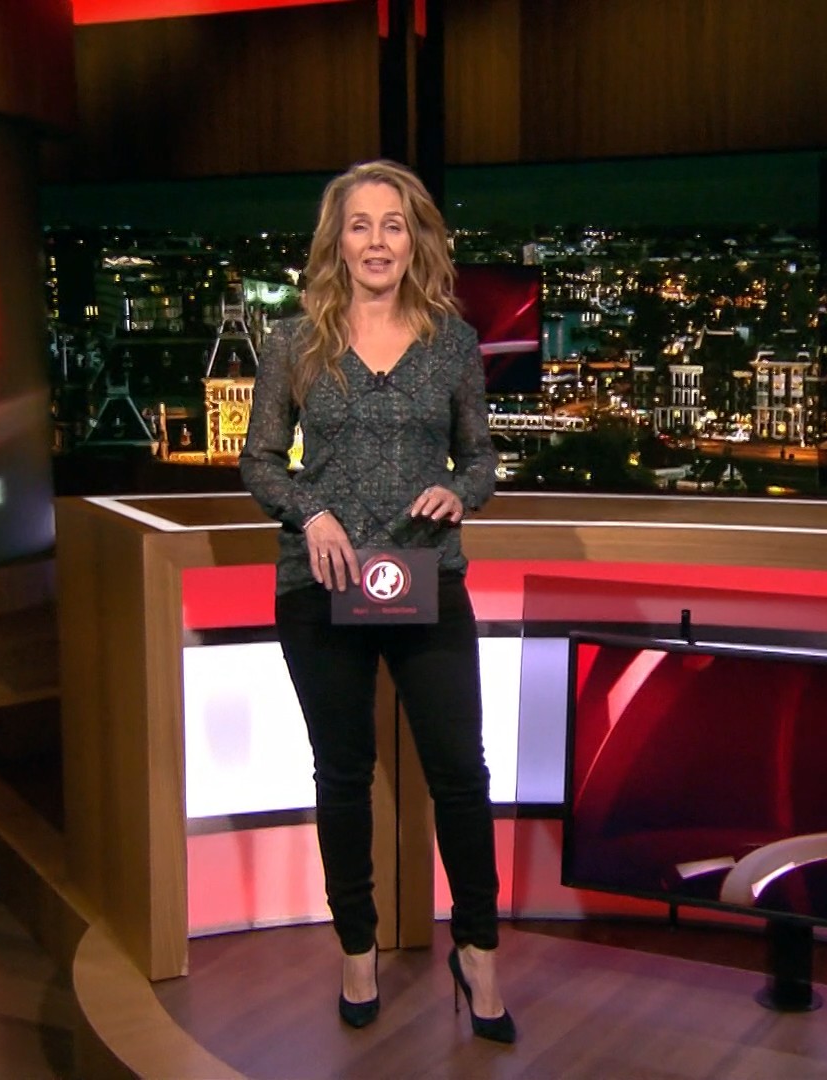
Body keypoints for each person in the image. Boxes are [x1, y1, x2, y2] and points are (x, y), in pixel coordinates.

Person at [239, 160, 513, 1044]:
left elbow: (482, 458)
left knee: (460, 772)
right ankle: (356, 948)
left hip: (424, 575)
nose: (377, 242)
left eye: (392, 225)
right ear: (338, 241)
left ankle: (478, 952)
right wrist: (309, 511)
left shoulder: (453, 343)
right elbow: (258, 460)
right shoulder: (295, 341)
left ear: (415, 238)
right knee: (342, 773)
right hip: (320, 582)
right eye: (360, 225)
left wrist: (459, 493)